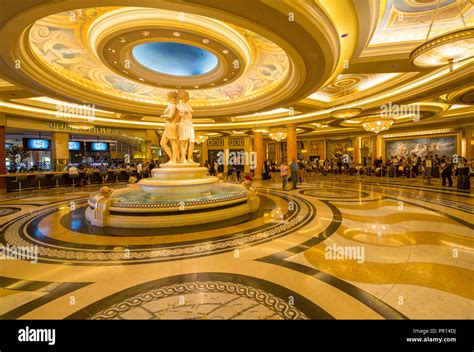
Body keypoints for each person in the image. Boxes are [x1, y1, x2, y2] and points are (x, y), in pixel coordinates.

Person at [160, 90, 180, 163]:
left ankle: (174, 160)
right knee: (162, 143)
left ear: (170, 97)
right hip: (168, 126)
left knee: (173, 143)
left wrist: (163, 116)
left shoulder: (173, 106)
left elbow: (171, 116)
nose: (166, 98)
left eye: (167, 96)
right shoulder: (171, 105)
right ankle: (172, 158)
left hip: (171, 125)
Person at [177, 90, 195, 163]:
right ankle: (183, 158)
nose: (188, 97)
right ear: (184, 96)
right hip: (183, 124)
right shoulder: (178, 105)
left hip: (190, 124)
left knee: (192, 142)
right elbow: (179, 116)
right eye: (187, 95)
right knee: (184, 143)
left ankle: (189, 158)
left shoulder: (188, 105)